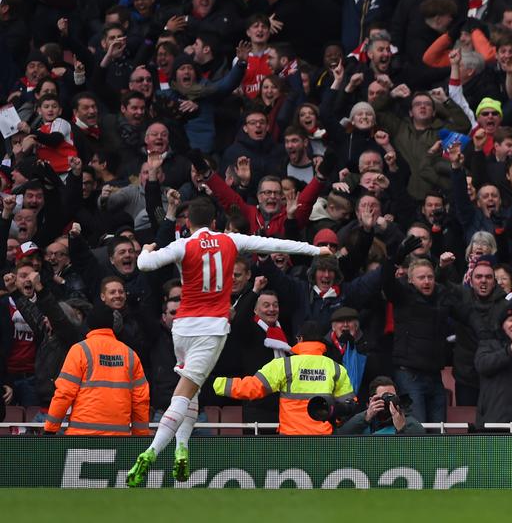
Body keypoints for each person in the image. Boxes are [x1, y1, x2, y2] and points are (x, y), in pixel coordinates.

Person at [126, 198, 330, 486]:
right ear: (213, 223)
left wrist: (147, 249)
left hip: (182, 327)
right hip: (212, 327)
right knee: (184, 391)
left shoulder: (183, 245)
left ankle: (182, 448)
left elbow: (145, 265)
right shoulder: (230, 240)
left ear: (188, 223)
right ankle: (152, 451)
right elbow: (274, 244)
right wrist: (315, 250)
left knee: (191, 388)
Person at [211, 321, 355, 435]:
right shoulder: (336, 368)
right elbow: (349, 405)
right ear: (322, 342)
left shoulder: (285, 365)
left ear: (300, 339)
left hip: (290, 440)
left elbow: (251, 388)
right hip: (324, 440)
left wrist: (215, 383)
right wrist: (335, 418)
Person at [43, 305, 150, 436]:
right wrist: (140, 436)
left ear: (89, 324)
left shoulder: (80, 350)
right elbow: (141, 400)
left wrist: (50, 429)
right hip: (118, 439)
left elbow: (64, 393)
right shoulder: (130, 354)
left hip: (81, 438)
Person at [335, 376, 425, 435]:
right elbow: (340, 436)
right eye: (385, 397)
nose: (389, 401)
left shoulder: (405, 420)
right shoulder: (363, 421)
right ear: (372, 400)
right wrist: (365, 417)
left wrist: (402, 429)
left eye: (392, 397)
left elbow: (418, 445)